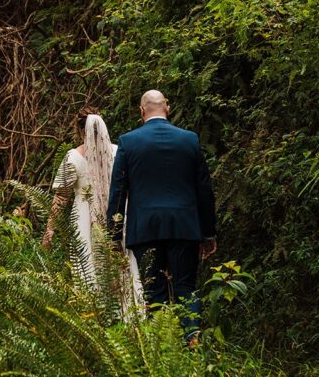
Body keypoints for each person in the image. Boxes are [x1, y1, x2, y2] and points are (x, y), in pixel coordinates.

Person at [106, 90, 217, 343]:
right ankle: (192, 341)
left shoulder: (129, 141)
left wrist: (113, 235)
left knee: (153, 291)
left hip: (145, 228)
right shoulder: (189, 140)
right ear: (167, 107)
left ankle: (163, 349)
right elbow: (204, 189)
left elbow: (118, 190)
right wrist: (208, 232)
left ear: (141, 111)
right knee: (185, 289)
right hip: (184, 227)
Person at [43, 107, 144, 314]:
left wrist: (50, 230)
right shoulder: (119, 152)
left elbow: (61, 197)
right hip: (117, 215)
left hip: (85, 219)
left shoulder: (73, 157)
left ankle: (95, 312)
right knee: (121, 263)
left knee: (89, 264)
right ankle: (128, 312)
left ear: (80, 130)